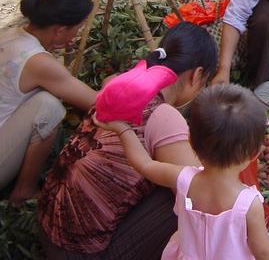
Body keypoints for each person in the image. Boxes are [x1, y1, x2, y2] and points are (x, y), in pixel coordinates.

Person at [39, 22, 218, 259]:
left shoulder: (122, 83)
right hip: (81, 252)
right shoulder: (163, 116)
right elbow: (202, 193)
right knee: (185, 196)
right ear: (197, 75)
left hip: (47, 229)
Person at [93, 84, 269, 260]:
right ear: (254, 154)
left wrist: (122, 129)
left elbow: (144, 165)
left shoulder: (183, 179)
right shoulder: (248, 205)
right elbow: (264, 253)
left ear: (192, 142)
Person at [0, 0, 95, 205]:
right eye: (77, 28)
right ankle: (24, 191)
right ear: (60, 30)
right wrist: (118, 81)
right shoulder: (38, 63)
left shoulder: (10, 34)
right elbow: (96, 102)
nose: (78, 33)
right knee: (48, 107)